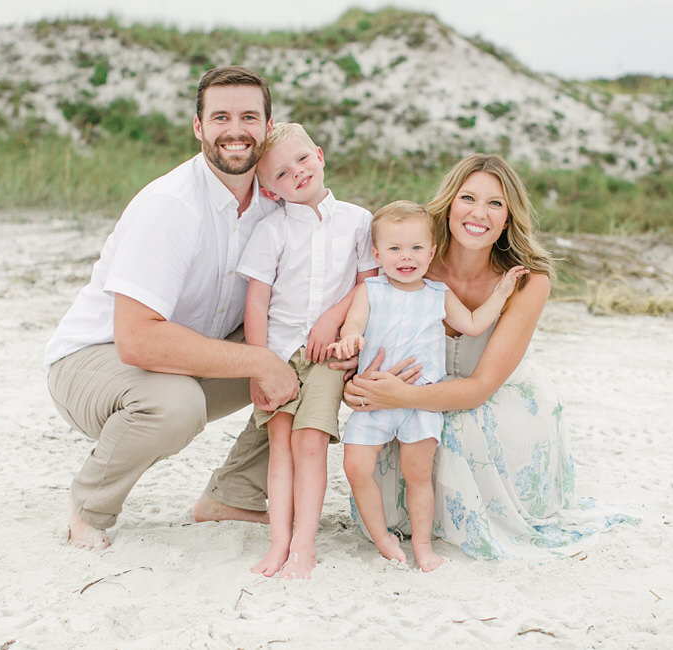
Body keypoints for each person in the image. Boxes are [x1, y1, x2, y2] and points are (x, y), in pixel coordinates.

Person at [44, 67, 356, 550]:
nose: (236, 130)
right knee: (176, 406)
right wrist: (259, 361)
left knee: (313, 359)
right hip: (95, 361)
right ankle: (89, 506)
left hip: (188, 354)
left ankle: (233, 495)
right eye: (221, 117)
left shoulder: (276, 203)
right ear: (199, 127)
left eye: (249, 116)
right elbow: (137, 340)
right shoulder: (171, 206)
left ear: (267, 127)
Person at [343, 154, 634, 560]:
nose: (479, 213)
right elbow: (364, 339)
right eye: (468, 198)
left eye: (495, 203)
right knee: (380, 475)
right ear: (448, 204)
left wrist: (399, 397)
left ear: (509, 216)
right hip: (411, 396)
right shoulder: (409, 259)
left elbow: (480, 387)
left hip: (494, 400)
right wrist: (358, 389)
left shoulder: (528, 279)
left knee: (454, 434)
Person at [329, 200, 525, 571]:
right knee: (356, 466)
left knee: (417, 474)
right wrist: (349, 340)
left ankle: (422, 543)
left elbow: (472, 324)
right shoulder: (370, 290)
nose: (407, 257)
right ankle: (382, 537)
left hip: (420, 401)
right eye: (395, 248)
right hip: (374, 398)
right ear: (377, 253)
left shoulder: (438, 294)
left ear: (432, 251)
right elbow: (353, 326)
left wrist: (500, 294)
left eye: (417, 248)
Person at [239, 122, 378, 578]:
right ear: (271, 191)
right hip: (278, 353)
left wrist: (332, 317)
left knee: (311, 443)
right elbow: (256, 301)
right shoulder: (271, 229)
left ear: (319, 155)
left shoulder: (358, 221)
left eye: (301, 160)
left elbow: (367, 284)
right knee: (280, 445)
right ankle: (278, 543)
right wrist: (259, 367)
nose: (296, 173)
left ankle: (305, 545)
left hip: (326, 355)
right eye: (280, 174)